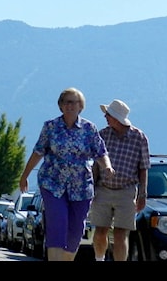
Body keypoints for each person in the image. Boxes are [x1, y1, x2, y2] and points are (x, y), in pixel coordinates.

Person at [19, 87, 114, 261]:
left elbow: (101, 153)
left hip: (81, 187)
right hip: (52, 184)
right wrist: (24, 175)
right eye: (66, 102)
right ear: (61, 106)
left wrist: (107, 167)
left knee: (76, 230)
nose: (70, 105)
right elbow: (38, 152)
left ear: (81, 106)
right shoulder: (50, 127)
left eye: (74, 102)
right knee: (58, 224)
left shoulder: (88, 128)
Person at [89, 98, 150, 261]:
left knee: (120, 234)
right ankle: (99, 258)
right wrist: (92, 188)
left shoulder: (139, 138)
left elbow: (143, 168)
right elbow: (96, 164)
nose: (105, 118)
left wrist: (142, 194)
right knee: (100, 230)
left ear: (116, 118)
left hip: (127, 191)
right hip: (103, 189)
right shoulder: (102, 135)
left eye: (107, 115)